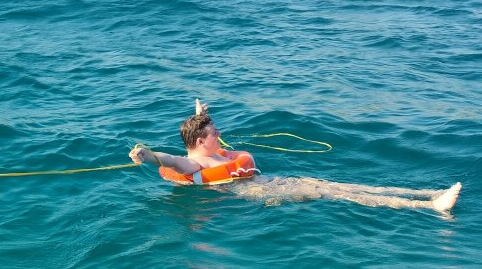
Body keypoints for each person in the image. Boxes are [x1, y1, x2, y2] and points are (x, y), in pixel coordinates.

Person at [130, 100, 462, 214]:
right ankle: (429, 207)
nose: (220, 134)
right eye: (214, 131)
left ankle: (426, 193)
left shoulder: (209, 148)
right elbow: (170, 160)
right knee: (335, 193)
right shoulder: (193, 163)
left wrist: (201, 114)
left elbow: (198, 135)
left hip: (272, 182)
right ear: (201, 140)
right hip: (258, 192)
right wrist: (147, 155)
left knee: (337, 185)